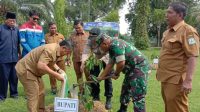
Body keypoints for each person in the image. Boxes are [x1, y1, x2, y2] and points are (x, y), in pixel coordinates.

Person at [156, 2, 199, 112]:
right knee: (169, 107)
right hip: (165, 77)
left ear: (179, 15)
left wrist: (188, 81)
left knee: (177, 109)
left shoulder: (188, 31)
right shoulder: (167, 32)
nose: (166, 15)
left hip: (176, 80)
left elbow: (192, 56)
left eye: (170, 12)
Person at [96, 34, 149, 112]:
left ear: (105, 44)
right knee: (125, 91)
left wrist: (116, 74)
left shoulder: (116, 45)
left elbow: (121, 63)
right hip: (131, 70)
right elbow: (110, 63)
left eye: (100, 46)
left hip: (139, 67)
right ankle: (122, 110)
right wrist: (100, 77)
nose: (100, 49)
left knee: (138, 95)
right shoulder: (111, 47)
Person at [15, 40, 72, 112]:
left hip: (34, 72)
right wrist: (56, 75)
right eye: (67, 52)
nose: (66, 55)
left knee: (41, 91)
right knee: (34, 93)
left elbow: (50, 61)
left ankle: (41, 110)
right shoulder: (50, 50)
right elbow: (41, 65)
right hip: (26, 70)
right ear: (63, 48)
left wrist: (59, 70)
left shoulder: (56, 49)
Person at [81, 28, 113, 109]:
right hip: (96, 59)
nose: (92, 40)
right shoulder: (89, 41)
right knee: (93, 77)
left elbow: (110, 52)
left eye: (94, 38)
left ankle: (108, 98)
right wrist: (83, 63)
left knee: (108, 78)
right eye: (91, 38)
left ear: (99, 36)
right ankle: (96, 96)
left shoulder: (107, 39)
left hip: (107, 59)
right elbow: (85, 52)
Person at [0, 12, 21, 101]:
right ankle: (2, 96)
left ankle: (14, 94)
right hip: (3, 58)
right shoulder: (1, 28)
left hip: (14, 58)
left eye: (14, 21)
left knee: (14, 77)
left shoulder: (16, 30)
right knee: (3, 78)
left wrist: (19, 54)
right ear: (6, 20)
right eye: (11, 20)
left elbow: (18, 43)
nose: (12, 22)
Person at [45, 22, 65, 94]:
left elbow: (64, 46)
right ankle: (53, 88)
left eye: (55, 28)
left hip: (60, 58)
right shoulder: (46, 36)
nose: (53, 29)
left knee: (63, 73)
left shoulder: (61, 36)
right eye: (52, 28)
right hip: (51, 59)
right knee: (51, 74)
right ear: (49, 28)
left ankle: (64, 87)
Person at [69, 20, 89, 92]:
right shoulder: (72, 36)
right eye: (76, 28)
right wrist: (68, 58)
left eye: (79, 28)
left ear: (82, 26)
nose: (77, 29)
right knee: (79, 76)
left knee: (88, 75)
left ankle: (89, 90)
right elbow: (70, 47)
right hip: (76, 59)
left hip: (86, 60)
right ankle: (81, 91)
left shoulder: (88, 35)